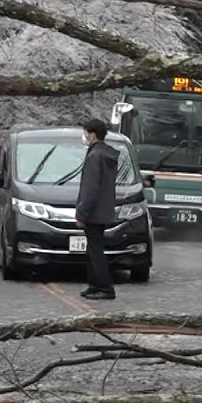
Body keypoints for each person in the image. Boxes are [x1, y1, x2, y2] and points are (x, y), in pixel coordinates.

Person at [75, 119, 119, 300]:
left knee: (95, 250)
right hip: (104, 208)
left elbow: (90, 187)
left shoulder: (95, 156)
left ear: (92, 134)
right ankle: (94, 285)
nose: (84, 137)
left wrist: (82, 213)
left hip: (94, 211)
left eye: (86, 133)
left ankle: (104, 287)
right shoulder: (106, 155)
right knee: (93, 248)